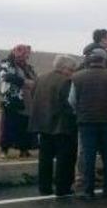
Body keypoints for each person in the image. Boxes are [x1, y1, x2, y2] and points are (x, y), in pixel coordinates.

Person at [68, 48, 107, 199]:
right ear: (104, 60)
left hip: (86, 122)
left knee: (88, 156)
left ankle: (88, 190)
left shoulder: (77, 77)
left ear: (90, 60)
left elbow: (71, 101)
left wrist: (80, 112)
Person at [28, 55, 78, 197]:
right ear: (65, 68)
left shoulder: (40, 78)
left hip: (42, 123)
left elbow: (33, 96)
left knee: (45, 157)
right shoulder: (66, 82)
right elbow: (69, 104)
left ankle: (44, 187)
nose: (73, 72)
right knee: (65, 158)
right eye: (72, 69)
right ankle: (63, 188)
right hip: (62, 125)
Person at [0, 44, 38, 158]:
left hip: (27, 101)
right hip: (11, 99)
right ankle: (4, 150)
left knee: (24, 125)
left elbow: (35, 79)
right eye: (22, 54)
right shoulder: (6, 64)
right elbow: (6, 77)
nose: (24, 57)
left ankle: (24, 149)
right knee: (7, 125)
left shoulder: (28, 67)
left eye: (26, 55)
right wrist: (25, 82)